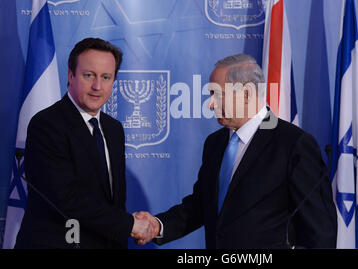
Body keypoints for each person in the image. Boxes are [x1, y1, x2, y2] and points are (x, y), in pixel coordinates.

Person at [135, 54, 337, 248]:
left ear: (247, 93)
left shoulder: (293, 143)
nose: (211, 104)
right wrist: (158, 226)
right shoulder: (215, 143)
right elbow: (201, 205)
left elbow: (320, 231)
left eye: (217, 95)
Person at [15, 38, 157, 248]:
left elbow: (111, 202)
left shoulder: (113, 129)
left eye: (106, 77)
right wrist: (130, 224)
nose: (97, 86)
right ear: (71, 75)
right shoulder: (46, 124)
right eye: (88, 75)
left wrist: (128, 225)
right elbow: (67, 198)